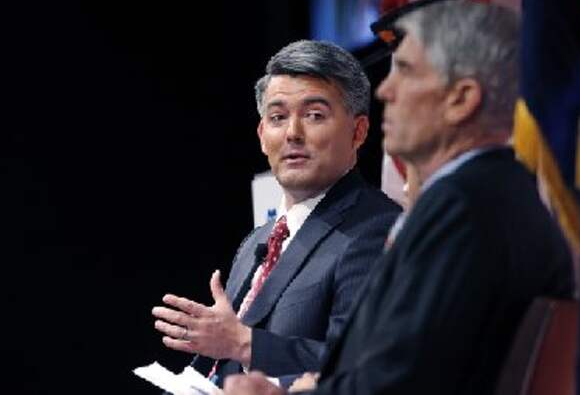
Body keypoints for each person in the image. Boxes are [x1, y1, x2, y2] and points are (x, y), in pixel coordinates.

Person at [223, 0, 575, 395]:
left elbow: (401, 384)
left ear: (461, 98)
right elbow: (403, 363)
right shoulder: (490, 194)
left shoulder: (465, 208)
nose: (385, 89)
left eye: (405, 71)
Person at [151, 40, 401, 387]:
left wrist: (242, 342)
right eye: (278, 117)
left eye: (314, 115)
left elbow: (361, 362)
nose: (293, 133)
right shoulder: (258, 239)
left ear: (358, 131)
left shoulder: (376, 228)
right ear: (261, 135)